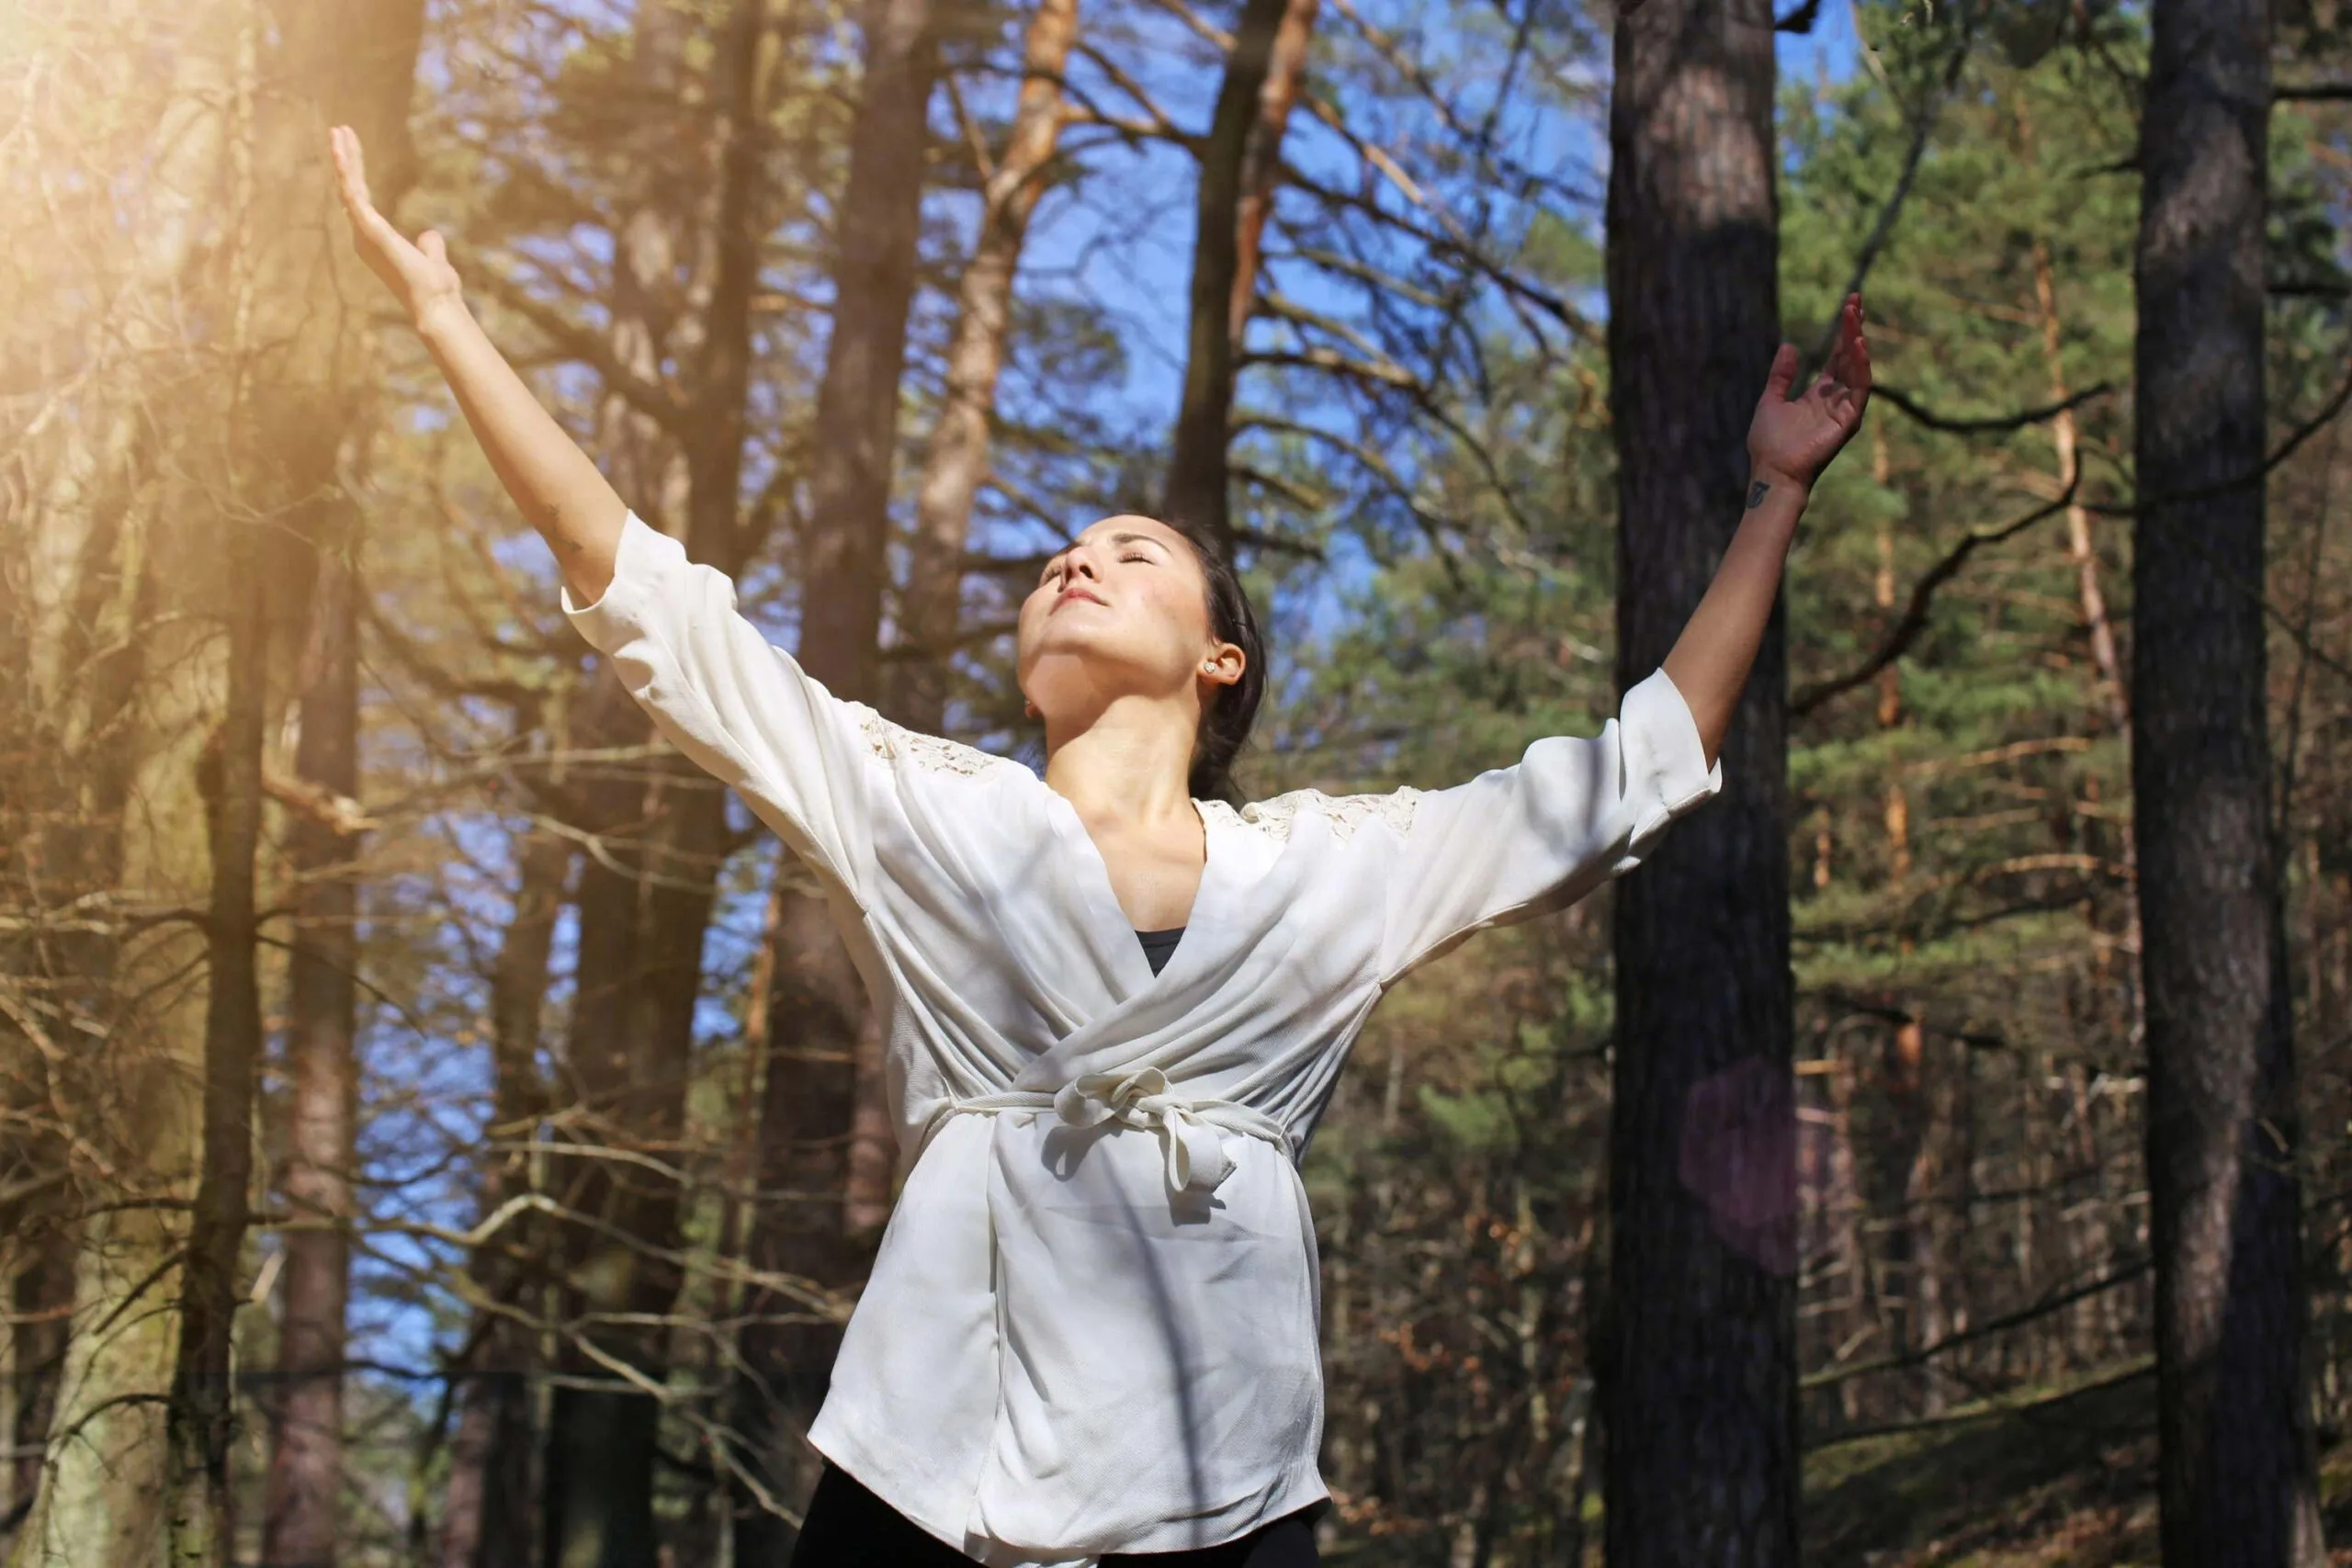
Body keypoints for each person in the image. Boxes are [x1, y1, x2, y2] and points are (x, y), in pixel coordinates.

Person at [329, 124, 1870, 1567]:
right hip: (932, 1452)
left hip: (1227, 1468)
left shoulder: (1331, 869)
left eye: (1135, 554)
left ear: (1221, 661)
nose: (1079, 556)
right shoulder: (928, 805)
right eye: (1064, 553)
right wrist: (451, 324)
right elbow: (650, 602)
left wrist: (1773, 494)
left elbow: (1636, 770)